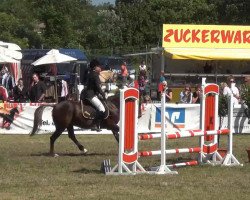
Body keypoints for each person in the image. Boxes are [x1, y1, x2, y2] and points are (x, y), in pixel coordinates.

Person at [80, 59, 106, 132]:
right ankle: (94, 125)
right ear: (95, 67)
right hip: (90, 95)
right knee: (102, 109)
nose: (100, 68)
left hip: (86, 93)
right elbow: (98, 87)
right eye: (99, 66)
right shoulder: (95, 75)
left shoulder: (90, 73)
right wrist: (103, 94)